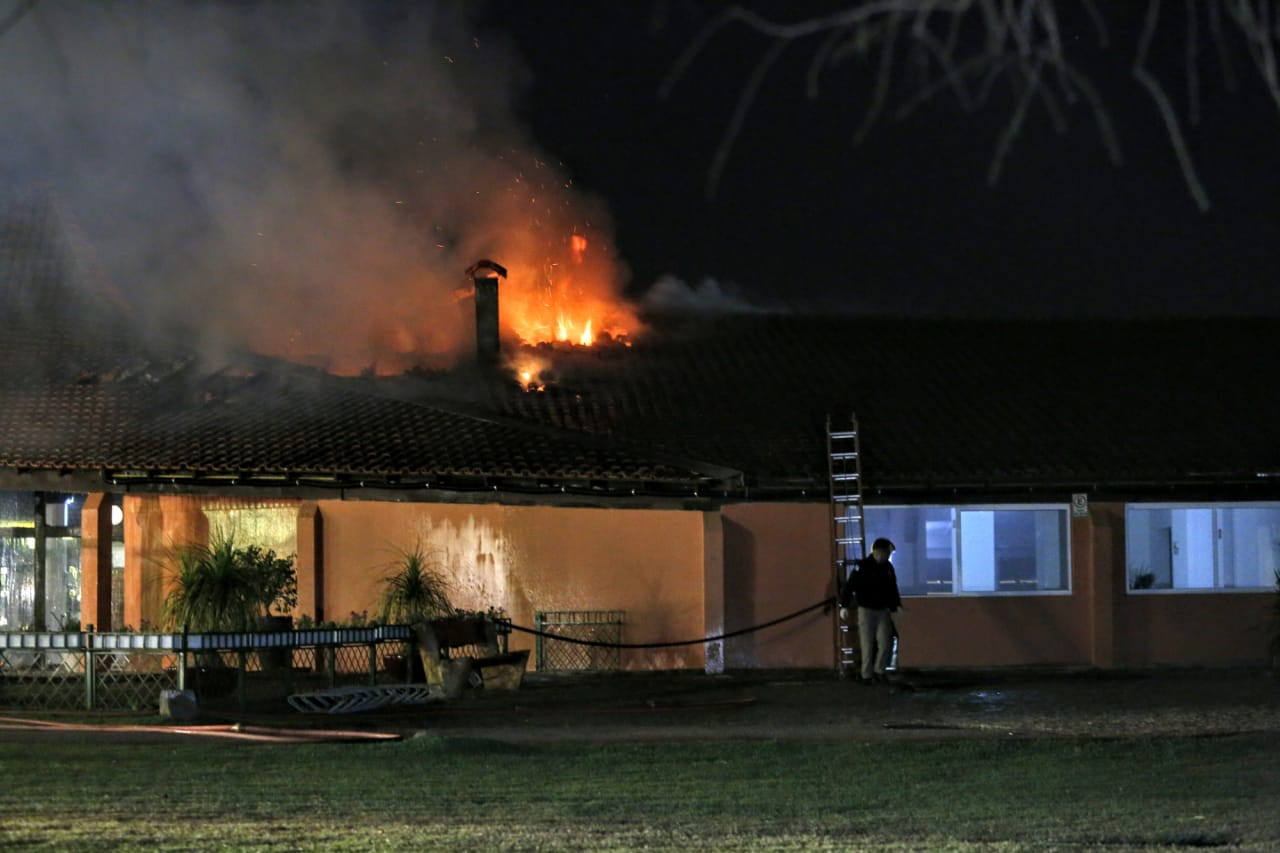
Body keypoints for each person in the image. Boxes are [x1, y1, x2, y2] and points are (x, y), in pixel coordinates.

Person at [838, 537, 903, 684]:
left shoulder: (888, 568)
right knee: (867, 644)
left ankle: (879, 670)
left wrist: (896, 604)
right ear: (878, 552)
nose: (888, 556)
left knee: (885, 642)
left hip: (883, 610)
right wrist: (844, 605)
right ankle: (866, 675)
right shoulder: (862, 566)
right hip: (866, 610)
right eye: (887, 553)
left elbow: (892, 587)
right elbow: (849, 587)